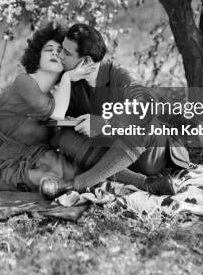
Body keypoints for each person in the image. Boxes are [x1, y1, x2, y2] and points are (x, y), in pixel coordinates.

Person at [44, 23, 191, 196]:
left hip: (150, 154)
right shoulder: (73, 82)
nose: (60, 55)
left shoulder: (118, 74)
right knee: (63, 137)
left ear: (86, 61)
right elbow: (54, 117)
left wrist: (103, 123)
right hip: (114, 155)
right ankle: (149, 184)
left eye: (67, 53)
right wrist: (67, 79)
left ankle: (76, 185)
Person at [0, 23, 96, 193]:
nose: (55, 53)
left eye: (61, 51)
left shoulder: (53, 97)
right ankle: (55, 185)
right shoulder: (23, 82)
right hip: (2, 160)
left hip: (34, 155)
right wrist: (68, 78)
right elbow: (56, 113)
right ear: (37, 57)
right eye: (49, 49)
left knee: (76, 172)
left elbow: (54, 126)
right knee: (47, 180)